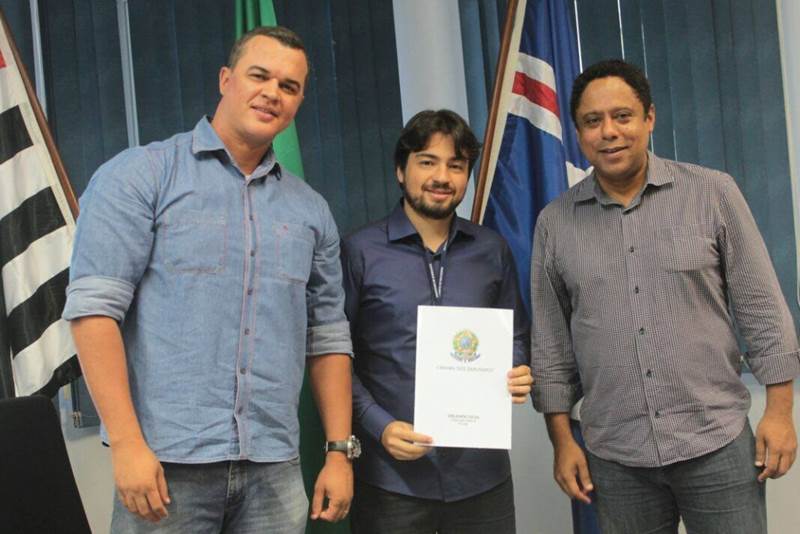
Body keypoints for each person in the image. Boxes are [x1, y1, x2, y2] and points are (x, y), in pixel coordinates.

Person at [63, 26, 355, 533]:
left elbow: (327, 335)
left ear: (298, 102)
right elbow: (94, 313)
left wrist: (338, 452)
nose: (273, 93)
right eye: (259, 76)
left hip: (275, 467)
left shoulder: (310, 211)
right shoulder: (140, 175)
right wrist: (126, 443)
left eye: (289, 86)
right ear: (225, 79)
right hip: (165, 465)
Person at [531, 58, 799, 534]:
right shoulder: (555, 223)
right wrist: (562, 441)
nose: (609, 132)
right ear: (578, 132)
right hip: (616, 459)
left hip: (715, 445)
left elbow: (761, 308)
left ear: (649, 117)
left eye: (623, 116)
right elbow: (551, 345)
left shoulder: (712, 193)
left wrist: (780, 413)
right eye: (593, 121)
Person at [340, 109, 533, 534]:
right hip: (391, 479)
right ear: (400, 170)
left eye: (456, 165)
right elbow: (336, 360)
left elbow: (517, 336)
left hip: (482, 478)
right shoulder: (359, 252)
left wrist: (517, 368)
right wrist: (378, 425)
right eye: (428, 162)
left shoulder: (492, 250)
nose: (442, 177)